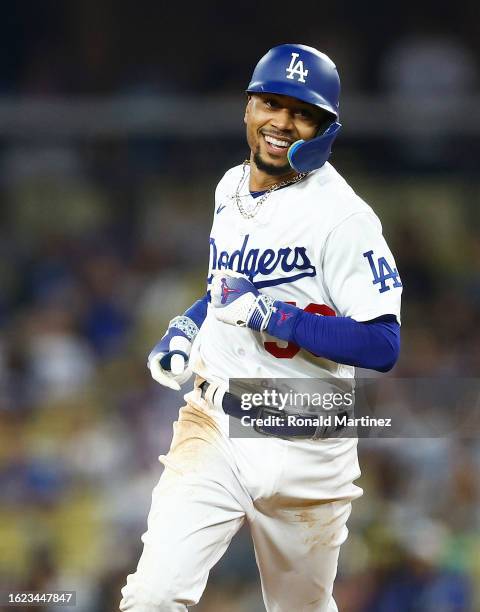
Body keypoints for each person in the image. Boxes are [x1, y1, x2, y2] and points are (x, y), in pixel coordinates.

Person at [119, 43, 402, 612]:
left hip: (311, 447)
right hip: (216, 424)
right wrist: (184, 325)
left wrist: (273, 317)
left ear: (326, 127)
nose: (282, 122)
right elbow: (226, 291)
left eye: (303, 112)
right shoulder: (229, 188)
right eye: (272, 102)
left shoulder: (345, 219)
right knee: (150, 597)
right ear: (248, 107)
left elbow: (383, 344)